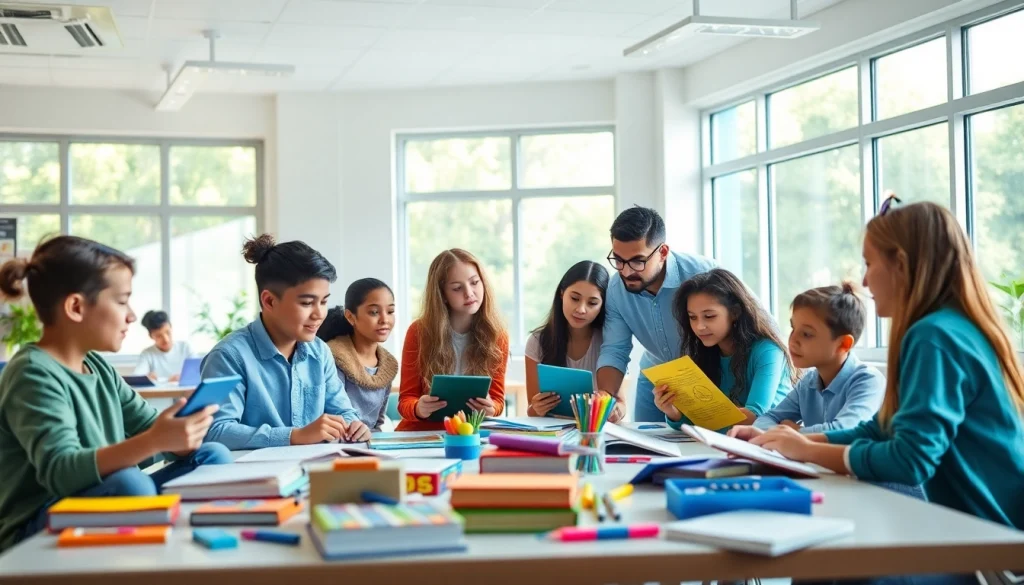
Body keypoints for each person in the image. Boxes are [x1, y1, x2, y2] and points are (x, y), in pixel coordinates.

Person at [733, 200, 1024, 542]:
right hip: (983, 530)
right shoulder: (951, 327)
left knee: (828, 560)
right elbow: (883, 429)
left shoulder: (933, 336)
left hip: (991, 542)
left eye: (870, 264)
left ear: (901, 265)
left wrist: (807, 450)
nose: (865, 281)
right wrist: (787, 441)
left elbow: (910, 459)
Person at [0, 236, 229, 553]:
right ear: (76, 307)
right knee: (131, 484)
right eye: (122, 301)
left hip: (99, 498)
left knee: (212, 455)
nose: (132, 316)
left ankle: (185, 543)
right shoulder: (32, 373)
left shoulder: (98, 367)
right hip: (37, 523)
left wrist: (179, 437)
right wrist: (156, 441)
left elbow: (149, 432)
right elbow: (61, 472)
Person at [201, 234, 370, 449]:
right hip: (254, 476)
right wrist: (294, 436)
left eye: (324, 301)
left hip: (313, 468)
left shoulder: (319, 352)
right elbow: (214, 431)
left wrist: (354, 425)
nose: (319, 314)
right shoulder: (228, 356)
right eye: (307, 303)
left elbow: (343, 412)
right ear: (269, 301)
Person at [596, 206, 715, 422]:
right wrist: (607, 397)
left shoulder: (704, 274)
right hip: (655, 375)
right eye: (618, 260)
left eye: (637, 261)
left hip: (709, 375)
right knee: (647, 446)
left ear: (662, 252)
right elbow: (615, 349)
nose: (626, 271)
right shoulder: (616, 289)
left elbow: (756, 328)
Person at [654, 268, 794, 427]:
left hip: (766, 446)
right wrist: (673, 411)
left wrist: (703, 417)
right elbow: (691, 425)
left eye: (709, 316)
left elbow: (754, 417)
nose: (699, 326)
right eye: (692, 317)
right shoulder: (705, 353)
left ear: (735, 312)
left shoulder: (768, 351)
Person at [747, 283, 884, 433]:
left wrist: (794, 432)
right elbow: (765, 420)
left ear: (843, 344)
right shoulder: (808, 383)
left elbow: (841, 433)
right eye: (793, 328)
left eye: (806, 334)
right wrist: (789, 432)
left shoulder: (868, 381)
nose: (793, 340)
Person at [397, 249, 509, 431]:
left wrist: (491, 408)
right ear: (442, 295)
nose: (469, 293)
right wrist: (418, 408)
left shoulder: (498, 335)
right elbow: (405, 401)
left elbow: (497, 401)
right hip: (422, 434)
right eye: (457, 288)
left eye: (474, 282)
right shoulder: (418, 332)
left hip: (470, 433)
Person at [525, 260, 609, 416]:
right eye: (575, 298)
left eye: (592, 303)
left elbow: (621, 404)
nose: (581, 309)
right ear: (562, 293)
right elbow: (532, 410)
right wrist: (537, 408)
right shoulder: (537, 342)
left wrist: (614, 410)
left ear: (602, 305)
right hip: (554, 434)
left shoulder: (608, 342)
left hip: (593, 432)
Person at [316, 279, 398, 432]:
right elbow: (330, 414)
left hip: (369, 442)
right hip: (336, 442)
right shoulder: (332, 356)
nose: (385, 319)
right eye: (374, 312)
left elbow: (377, 424)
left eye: (390, 311)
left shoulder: (388, 364)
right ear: (350, 317)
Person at [133, 310, 193, 381]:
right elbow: (137, 377)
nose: (166, 339)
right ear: (151, 336)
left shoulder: (185, 347)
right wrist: (147, 378)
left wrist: (159, 379)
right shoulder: (147, 354)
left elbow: (198, 373)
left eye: (168, 332)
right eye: (159, 336)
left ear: (171, 327)